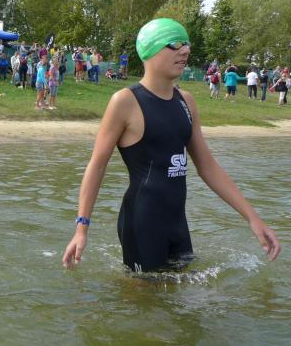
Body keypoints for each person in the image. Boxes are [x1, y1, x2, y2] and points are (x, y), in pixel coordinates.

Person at [62, 18, 280, 272]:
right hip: (141, 221)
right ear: (150, 49)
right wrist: (81, 228)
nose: (185, 50)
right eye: (175, 44)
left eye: (186, 44)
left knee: (181, 293)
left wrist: (253, 218)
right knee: (141, 292)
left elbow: (208, 167)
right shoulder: (125, 101)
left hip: (177, 223)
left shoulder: (186, 101)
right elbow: (97, 165)